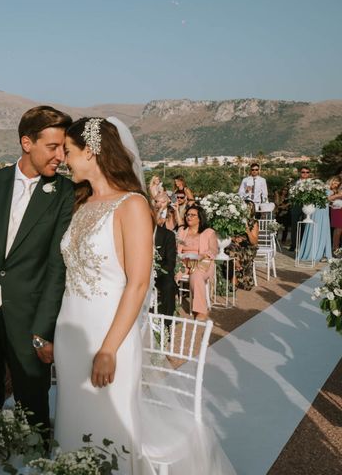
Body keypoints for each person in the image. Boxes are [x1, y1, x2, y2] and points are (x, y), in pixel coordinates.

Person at [54, 117, 234, 474]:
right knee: (72, 422)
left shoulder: (132, 205)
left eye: (69, 151)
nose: (63, 159)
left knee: (112, 429)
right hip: (70, 334)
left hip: (110, 337)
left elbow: (137, 284)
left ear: (90, 152)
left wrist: (108, 348)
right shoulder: (81, 205)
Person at [0, 105, 74, 435]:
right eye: (53, 147)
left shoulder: (65, 194)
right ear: (26, 143)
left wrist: (44, 330)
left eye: (63, 148)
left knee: (34, 412)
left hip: (30, 322)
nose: (60, 156)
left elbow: (55, 266)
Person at [176, 205, 218, 321]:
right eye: (187, 215)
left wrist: (202, 256)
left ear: (200, 218)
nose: (189, 217)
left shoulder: (209, 232)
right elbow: (175, 247)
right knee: (172, 273)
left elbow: (213, 250)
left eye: (192, 215)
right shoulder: (182, 230)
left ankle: (200, 310)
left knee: (196, 276)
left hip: (202, 261)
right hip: (183, 260)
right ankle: (171, 305)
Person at [225, 200, 259, 290]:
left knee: (231, 253)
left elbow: (254, 242)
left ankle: (236, 267)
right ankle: (236, 271)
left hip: (248, 248)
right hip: (235, 247)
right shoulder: (235, 220)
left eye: (249, 208)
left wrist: (247, 230)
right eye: (245, 207)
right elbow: (228, 235)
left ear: (252, 210)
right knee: (230, 248)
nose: (247, 210)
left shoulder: (254, 222)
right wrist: (234, 239)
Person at [297, 178, 333, 262]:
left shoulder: (331, 191)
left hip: (324, 213)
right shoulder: (322, 190)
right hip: (317, 212)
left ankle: (323, 253)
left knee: (324, 232)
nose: (335, 184)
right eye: (335, 181)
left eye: (337, 183)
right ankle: (313, 252)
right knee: (314, 230)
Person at [288, 166, 311, 251]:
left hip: (307, 206)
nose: (305, 174)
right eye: (303, 172)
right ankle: (293, 244)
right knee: (294, 225)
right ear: (300, 173)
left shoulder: (312, 184)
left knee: (306, 225)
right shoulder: (294, 183)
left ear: (309, 173)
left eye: (307, 172)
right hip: (296, 205)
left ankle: (304, 245)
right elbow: (290, 194)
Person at [328, 176, 342, 252]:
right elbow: (328, 199)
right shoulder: (331, 188)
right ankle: (335, 249)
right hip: (337, 209)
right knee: (338, 229)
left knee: (339, 230)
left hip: (339, 209)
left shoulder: (338, 188)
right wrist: (338, 196)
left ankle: (336, 248)